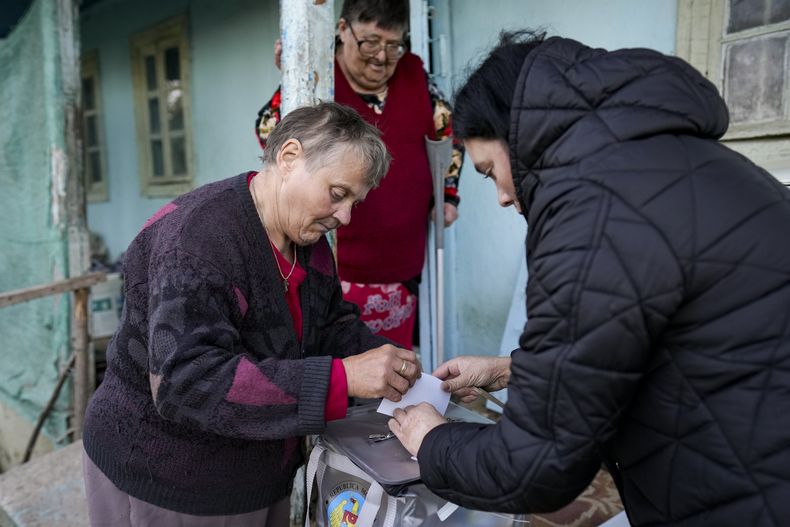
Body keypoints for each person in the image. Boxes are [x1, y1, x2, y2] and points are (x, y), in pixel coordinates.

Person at [388, 31, 790, 526]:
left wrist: (432, 440)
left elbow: (535, 465)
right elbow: (652, 332)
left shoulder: (593, 207)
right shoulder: (675, 162)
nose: (502, 198)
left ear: (518, 133)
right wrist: (509, 369)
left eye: (491, 171)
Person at [82, 102, 422, 526]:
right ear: (289, 156)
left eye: (354, 201)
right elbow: (187, 382)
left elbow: (331, 323)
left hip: (258, 474)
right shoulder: (199, 239)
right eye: (337, 194)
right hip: (171, 478)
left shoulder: (307, 241)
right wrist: (343, 378)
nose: (346, 216)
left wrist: (394, 365)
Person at [256, 0, 464, 349]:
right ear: (342, 30)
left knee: (393, 376)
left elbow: (448, 134)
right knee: (339, 375)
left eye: (393, 45)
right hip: (337, 267)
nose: (381, 57)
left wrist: (448, 194)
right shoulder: (319, 77)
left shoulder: (414, 73)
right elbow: (272, 134)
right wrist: (291, 79)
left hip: (402, 265)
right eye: (369, 42)